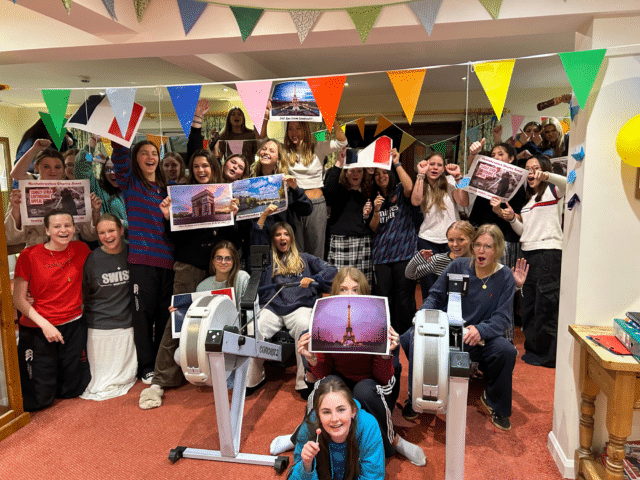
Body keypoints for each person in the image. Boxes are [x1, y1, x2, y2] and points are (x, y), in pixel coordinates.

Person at [271, 267, 426, 467]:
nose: (349, 295)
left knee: (364, 390)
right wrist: (312, 359)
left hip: (373, 385)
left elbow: (385, 379)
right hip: (340, 380)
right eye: (343, 289)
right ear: (335, 294)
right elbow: (323, 374)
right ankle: (301, 434)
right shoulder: (325, 322)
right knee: (325, 384)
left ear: (364, 294)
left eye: (355, 289)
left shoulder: (381, 323)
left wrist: (386, 353)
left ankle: (393, 440)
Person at [419, 224, 518, 431]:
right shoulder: (458, 266)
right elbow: (435, 295)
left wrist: (481, 330)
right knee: (411, 338)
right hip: (453, 331)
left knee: (506, 351)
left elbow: (503, 317)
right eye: (478, 245)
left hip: (484, 336)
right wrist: (423, 315)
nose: (481, 251)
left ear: (498, 250)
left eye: (488, 247)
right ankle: (420, 395)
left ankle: (494, 401)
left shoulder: (505, 275)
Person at [139, 240, 249, 409]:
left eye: (228, 258)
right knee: (178, 355)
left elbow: (246, 314)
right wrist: (178, 312)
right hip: (209, 337)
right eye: (219, 258)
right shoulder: (203, 286)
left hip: (234, 337)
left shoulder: (242, 278)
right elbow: (194, 319)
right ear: (212, 261)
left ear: (234, 261)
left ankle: (229, 372)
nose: (223, 262)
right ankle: (215, 374)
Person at [13, 209, 91, 411]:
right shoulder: (29, 255)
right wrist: (46, 325)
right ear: (47, 230)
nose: (63, 230)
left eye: (67, 225)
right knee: (39, 400)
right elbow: (19, 300)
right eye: (57, 226)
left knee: (72, 390)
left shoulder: (81, 249)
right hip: (39, 328)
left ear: (74, 228)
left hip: (73, 324)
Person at [246, 222, 337, 395]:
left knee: (304, 327)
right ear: (273, 239)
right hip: (272, 307)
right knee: (253, 329)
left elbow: (331, 270)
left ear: (291, 238)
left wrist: (315, 278)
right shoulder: (266, 260)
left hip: (300, 306)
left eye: (286, 234)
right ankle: (253, 379)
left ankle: (304, 381)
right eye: (278, 234)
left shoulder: (305, 258)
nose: (282, 238)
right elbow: (256, 245)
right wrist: (262, 220)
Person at [111, 139, 174, 384]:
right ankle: (146, 366)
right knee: (143, 317)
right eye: (144, 153)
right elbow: (119, 159)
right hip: (142, 263)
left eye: (154, 153)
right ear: (135, 159)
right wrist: (121, 134)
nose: (150, 157)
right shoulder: (131, 184)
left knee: (164, 316)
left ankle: (160, 364)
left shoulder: (168, 189)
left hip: (168, 263)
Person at [508, 155, 565, 368]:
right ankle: (533, 349)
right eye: (528, 169)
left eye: (536, 169)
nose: (531, 173)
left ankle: (548, 356)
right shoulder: (528, 200)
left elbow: (570, 182)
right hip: (527, 252)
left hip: (548, 253)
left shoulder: (553, 191)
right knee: (528, 304)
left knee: (546, 305)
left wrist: (548, 175)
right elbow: (525, 231)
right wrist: (512, 219)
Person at [468, 139, 526, 340]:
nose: (496, 157)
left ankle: (504, 336)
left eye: (500, 154)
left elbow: (519, 217)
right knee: (482, 286)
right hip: (484, 236)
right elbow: (468, 187)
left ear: (511, 158)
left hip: (507, 240)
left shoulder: (518, 184)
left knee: (504, 288)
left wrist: (499, 210)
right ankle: (479, 332)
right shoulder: (487, 181)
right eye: (492, 155)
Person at [80, 214, 137, 400]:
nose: (107, 236)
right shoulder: (92, 259)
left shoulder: (132, 252)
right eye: (101, 233)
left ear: (121, 230)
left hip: (126, 323)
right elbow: (85, 291)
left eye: (111, 230)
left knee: (126, 374)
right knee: (99, 378)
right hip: (99, 324)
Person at [365, 148, 418, 337]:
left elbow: (410, 188)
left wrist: (397, 162)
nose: (381, 177)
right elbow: (373, 227)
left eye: (384, 173)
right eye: (377, 174)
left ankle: (407, 334)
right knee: (384, 297)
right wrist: (377, 210)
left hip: (404, 252)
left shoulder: (400, 192)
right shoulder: (374, 197)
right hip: (381, 256)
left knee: (404, 298)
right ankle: (387, 332)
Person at [289, 377, 386, 479]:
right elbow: (294, 475)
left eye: (341, 410)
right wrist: (307, 465)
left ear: (353, 411)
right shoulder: (311, 425)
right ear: (318, 415)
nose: (334, 419)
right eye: (326, 412)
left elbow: (373, 476)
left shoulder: (369, 426)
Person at [6, 145, 99, 247]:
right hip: (37, 254)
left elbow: (91, 236)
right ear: (37, 167)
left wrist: (95, 211)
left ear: (63, 169)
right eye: (46, 166)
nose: (52, 171)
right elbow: (11, 239)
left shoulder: (74, 190)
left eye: (57, 167)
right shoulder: (26, 191)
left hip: (70, 254)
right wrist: (16, 209)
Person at [283, 120, 348, 259]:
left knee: (316, 252)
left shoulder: (318, 147)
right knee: (296, 252)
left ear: (305, 130)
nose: (294, 132)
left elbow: (342, 142)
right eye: (290, 129)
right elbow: (261, 141)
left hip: (316, 204)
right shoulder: (285, 152)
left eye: (298, 128)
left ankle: (315, 281)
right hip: (295, 204)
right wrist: (264, 120)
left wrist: (332, 119)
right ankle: (300, 280)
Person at [410, 152, 469, 298]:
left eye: (439, 165)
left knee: (455, 284)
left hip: (452, 241)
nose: (435, 168)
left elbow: (464, 202)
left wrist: (458, 176)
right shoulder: (421, 182)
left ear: (443, 168)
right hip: (427, 239)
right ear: (425, 165)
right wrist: (420, 174)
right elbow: (415, 202)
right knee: (430, 285)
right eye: (432, 164)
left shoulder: (450, 181)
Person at [324, 147, 374, 285]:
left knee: (362, 285)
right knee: (341, 284)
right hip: (340, 240)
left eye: (359, 171)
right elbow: (327, 191)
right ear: (346, 173)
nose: (355, 174)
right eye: (352, 171)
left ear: (364, 173)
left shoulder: (368, 192)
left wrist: (366, 215)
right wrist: (339, 163)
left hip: (362, 241)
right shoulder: (338, 190)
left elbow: (371, 223)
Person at [250, 139, 313, 244]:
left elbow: (307, 209)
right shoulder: (251, 181)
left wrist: (295, 188)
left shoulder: (285, 183)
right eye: (264, 149)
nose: (266, 152)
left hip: (281, 242)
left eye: (271, 151)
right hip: (258, 239)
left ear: (279, 158)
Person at [75, 135, 128, 233]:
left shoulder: (137, 189)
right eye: (108, 169)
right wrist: (93, 141)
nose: (113, 173)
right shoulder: (100, 189)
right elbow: (82, 166)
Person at [188, 100, 251, 182]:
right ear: (223, 165)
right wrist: (198, 117)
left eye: (240, 167)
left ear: (242, 175)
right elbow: (194, 146)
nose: (235, 167)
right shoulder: (213, 180)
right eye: (233, 162)